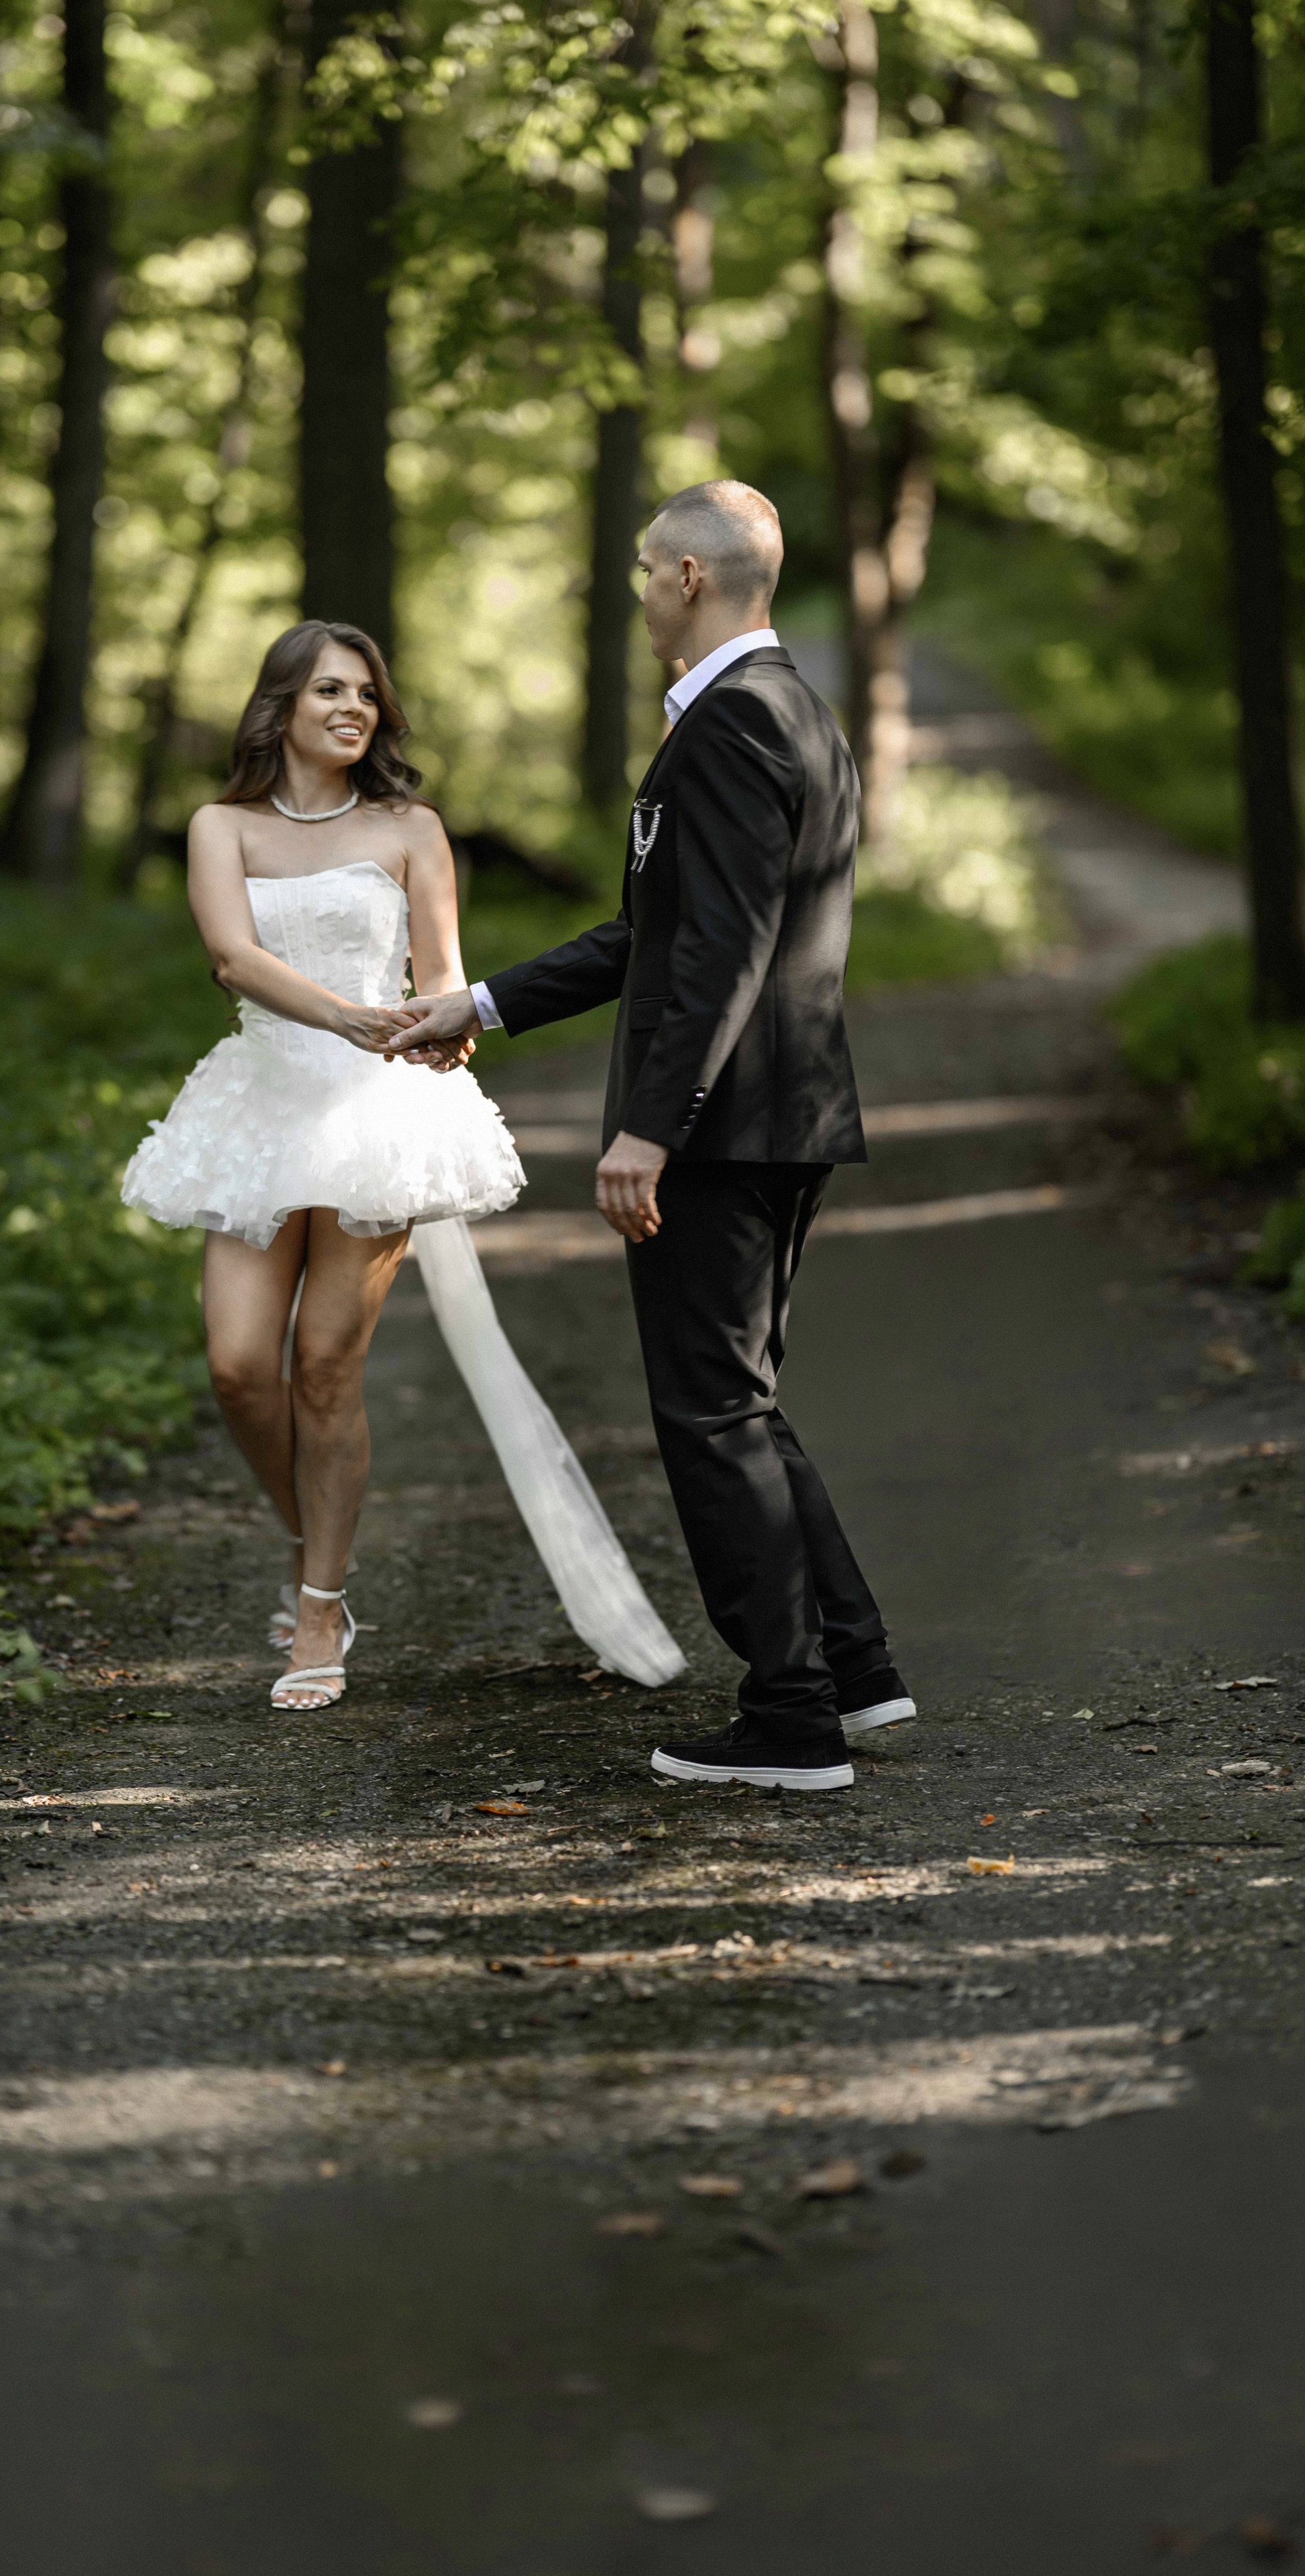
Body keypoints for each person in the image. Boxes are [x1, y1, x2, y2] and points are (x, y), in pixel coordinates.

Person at [388, 481, 914, 1792]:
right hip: (776, 1115)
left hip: (726, 1128)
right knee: (742, 1397)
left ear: (687, 577)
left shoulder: (734, 723)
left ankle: (788, 1719)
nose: (632, 593)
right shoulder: (788, 708)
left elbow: (726, 951)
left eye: (639, 570)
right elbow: (657, 934)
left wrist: (648, 1130)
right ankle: (851, 1671)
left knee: (709, 1414)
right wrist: (485, 1003)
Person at [120, 619, 681, 1712]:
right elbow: (232, 958)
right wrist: (344, 1014)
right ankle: (303, 1537)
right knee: (240, 1365)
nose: (353, 709)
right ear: (278, 705)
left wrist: (444, 1025)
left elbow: (447, 973)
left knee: (325, 1367)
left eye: (367, 694)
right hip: (262, 1102)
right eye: (329, 690)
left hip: (377, 1112)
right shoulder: (220, 826)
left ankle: (322, 1606)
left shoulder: (412, 827)